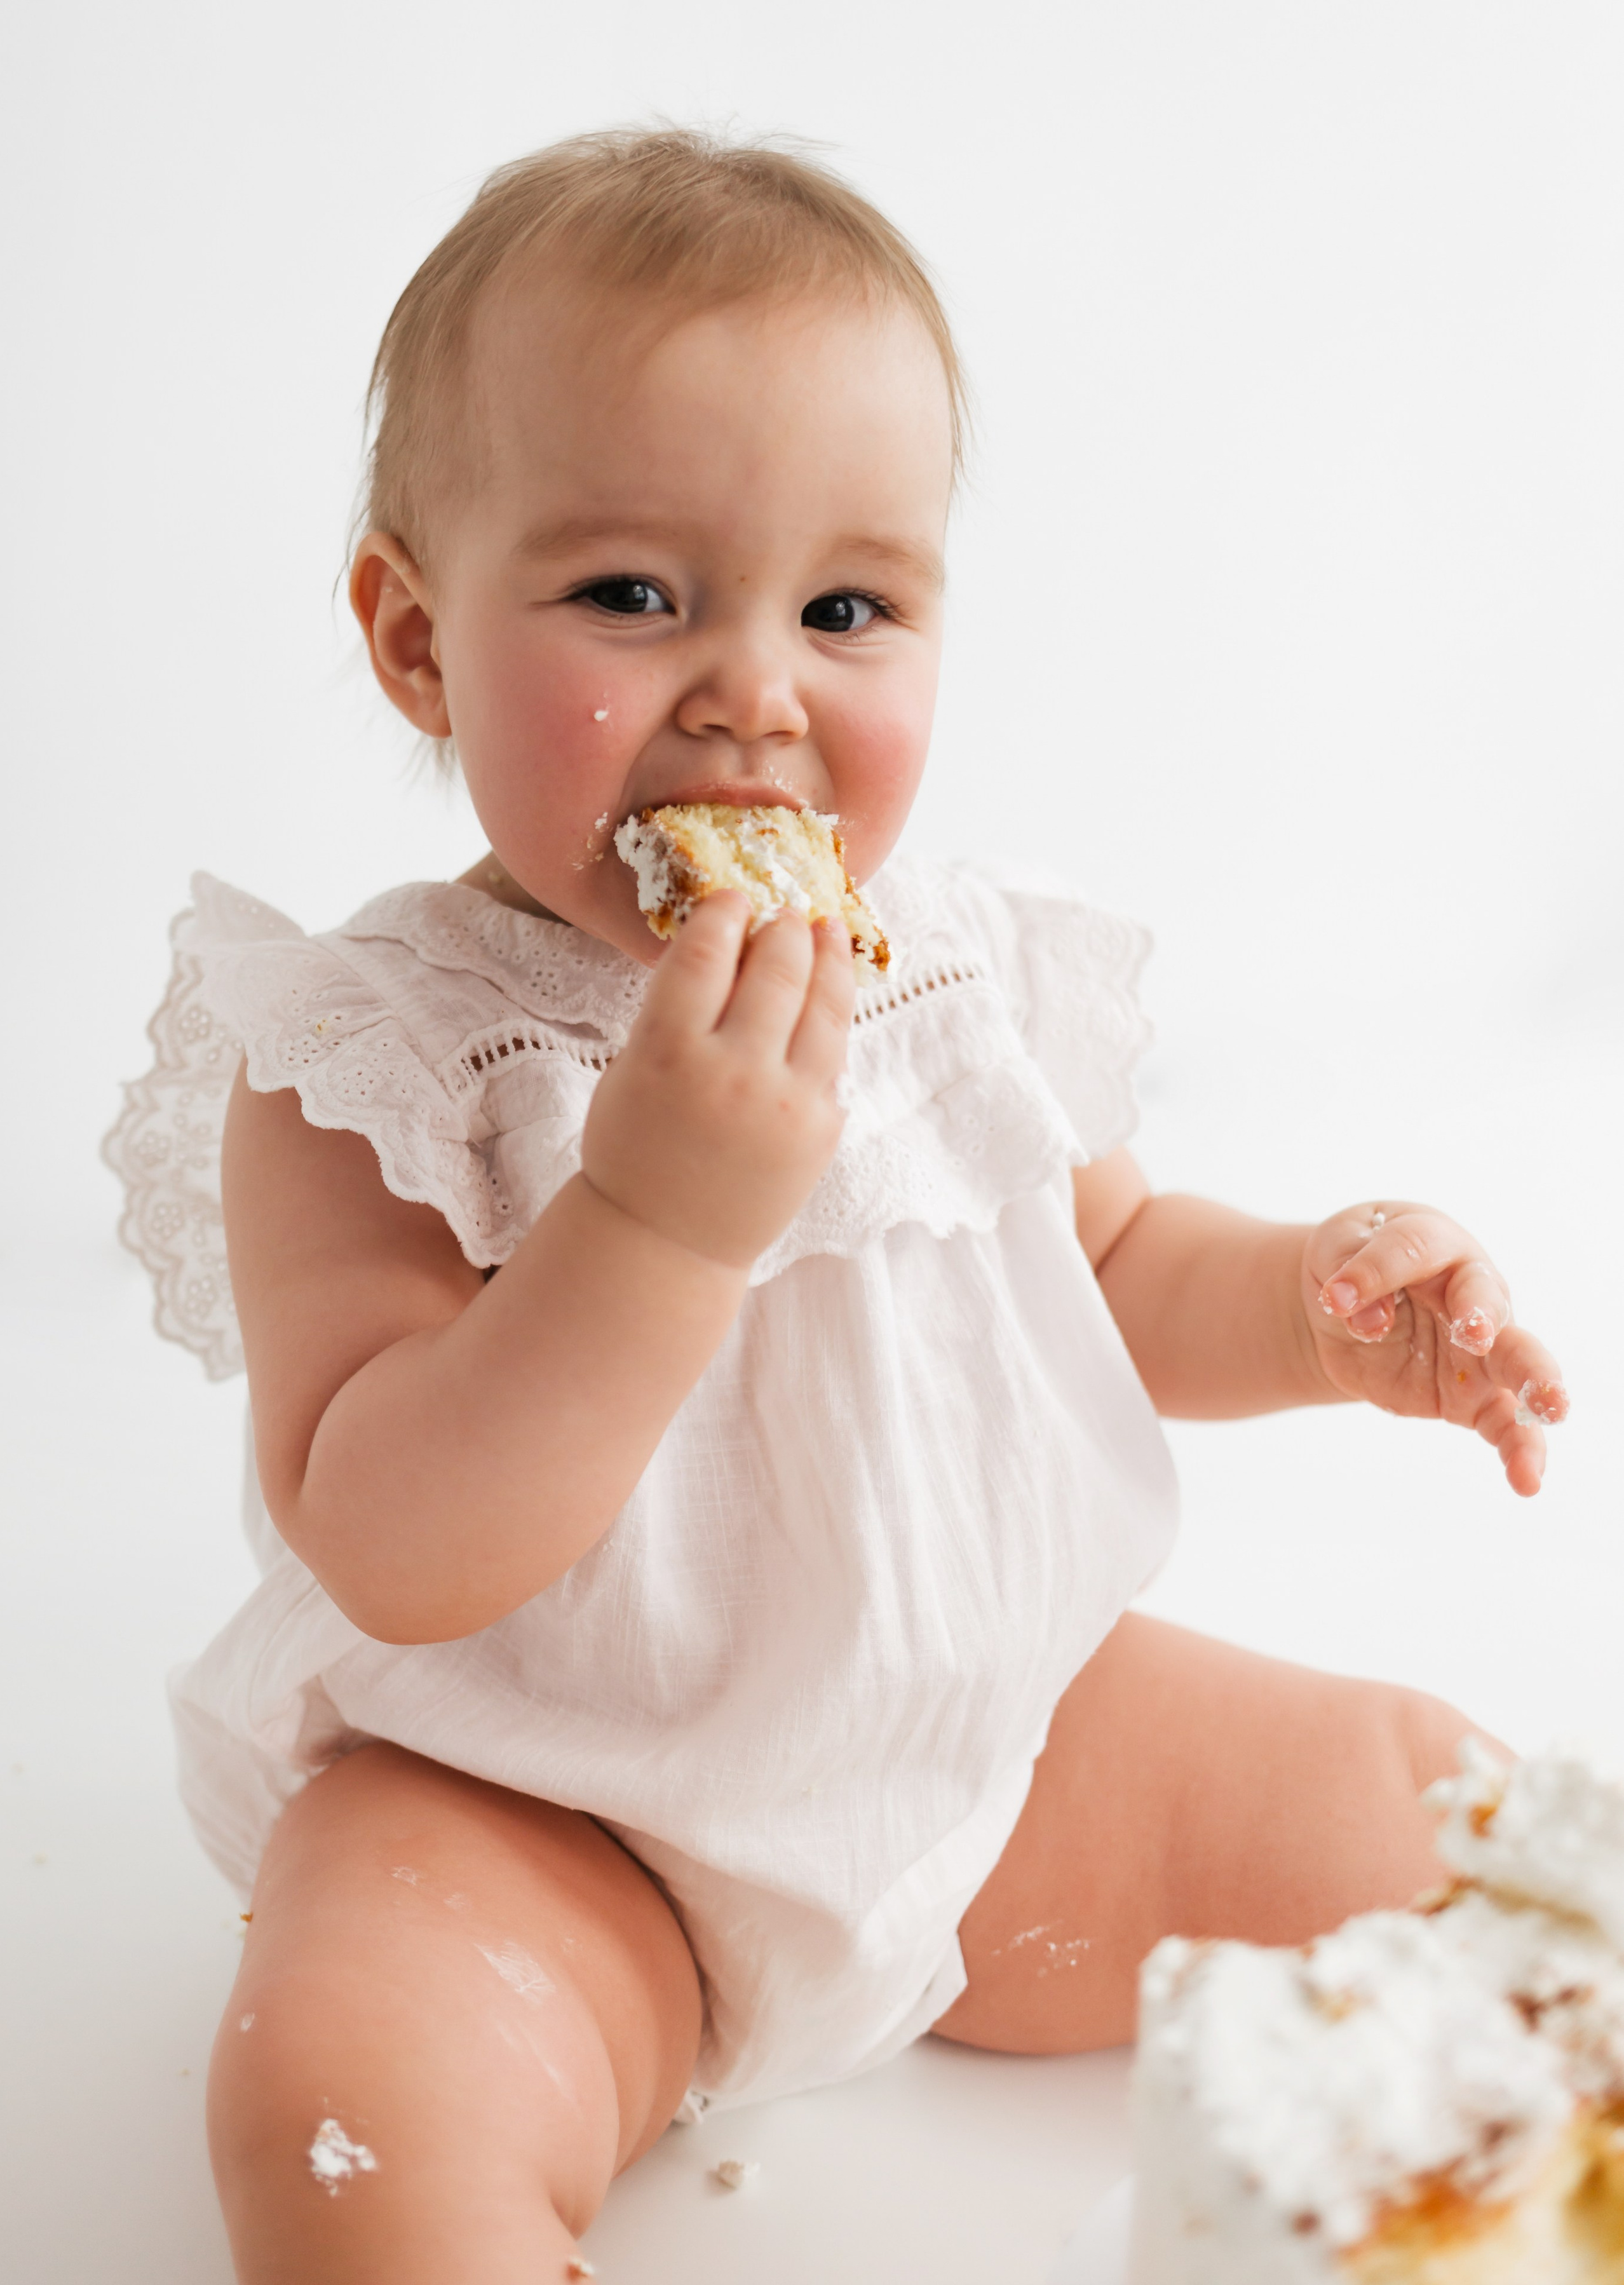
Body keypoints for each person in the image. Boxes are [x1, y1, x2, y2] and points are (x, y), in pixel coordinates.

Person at [106, 127, 1568, 2283]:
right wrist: (658, 1223)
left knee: (1435, 1800)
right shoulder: (383, 1061)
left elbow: (1116, 1267)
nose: (757, 691)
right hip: (539, 1809)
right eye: (634, 593)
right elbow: (393, 1536)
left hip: (960, 1741)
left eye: (846, 606)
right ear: (417, 642)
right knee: (346, 2106)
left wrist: (1325, 1305)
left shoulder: (952, 978)